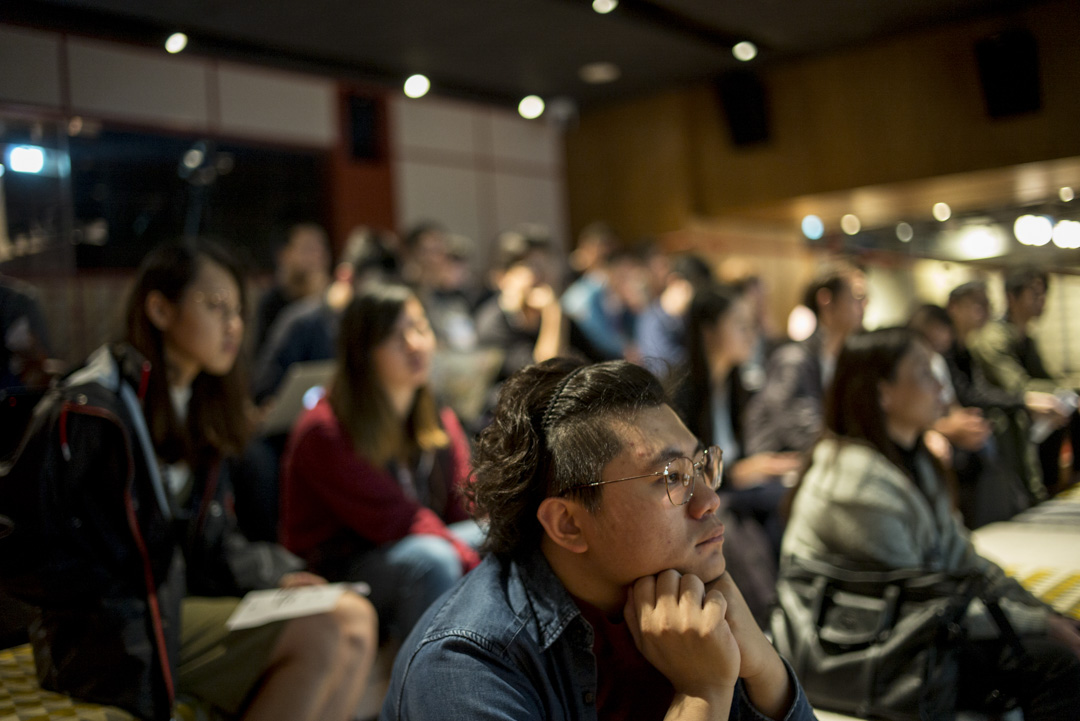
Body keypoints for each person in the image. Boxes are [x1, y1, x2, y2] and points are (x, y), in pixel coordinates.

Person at [16, 240, 376, 721]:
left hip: (168, 608)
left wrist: (278, 574)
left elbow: (212, 542)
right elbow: (53, 549)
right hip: (106, 630)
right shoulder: (95, 409)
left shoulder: (196, 405)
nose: (233, 325)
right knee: (334, 626)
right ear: (160, 309)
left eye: (238, 310)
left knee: (353, 614)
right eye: (215, 306)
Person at [381, 358, 817, 721]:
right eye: (672, 477)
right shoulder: (466, 664)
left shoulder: (686, 599)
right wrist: (701, 694)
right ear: (568, 524)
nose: (709, 499)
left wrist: (765, 670)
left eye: (702, 465)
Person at [781, 327, 1080, 720]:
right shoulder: (853, 484)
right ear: (883, 392)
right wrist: (1040, 624)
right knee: (1056, 663)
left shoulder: (913, 459)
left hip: (905, 627)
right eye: (924, 372)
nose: (940, 384)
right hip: (863, 648)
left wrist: (1045, 612)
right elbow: (925, 602)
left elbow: (964, 560)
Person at [280, 283, 481, 643]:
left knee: (509, 534)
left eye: (420, 328)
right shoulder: (325, 429)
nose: (415, 344)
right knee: (432, 559)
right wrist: (467, 556)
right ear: (363, 351)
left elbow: (465, 502)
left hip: (414, 540)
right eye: (395, 335)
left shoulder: (435, 415)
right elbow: (396, 520)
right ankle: (430, 688)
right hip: (346, 566)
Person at [674, 283, 802, 566]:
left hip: (734, 487)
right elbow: (687, 472)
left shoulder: (733, 386)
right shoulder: (682, 393)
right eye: (740, 326)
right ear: (708, 331)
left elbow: (739, 456)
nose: (751, 336)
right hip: (709, 495)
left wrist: (760, 465)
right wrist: (739, 471)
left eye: (751, 326)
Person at [969, 267, 1077, 494]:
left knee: (1067, 404)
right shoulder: (993, 337)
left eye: (1044, 294)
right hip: (1002, 420)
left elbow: (1047, 379)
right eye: (1035, 294)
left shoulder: (1026, 337)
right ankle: (1042, 491)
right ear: (1011, 297)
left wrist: (1071, 391)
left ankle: (1057, 485)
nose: (1042, 301)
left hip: (1027, 417)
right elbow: (1018, 386)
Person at [743, 263, 866, 456]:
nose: (864, 305)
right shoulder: (794, 359)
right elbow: (800, 430)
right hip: (776, 467)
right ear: (826, 301)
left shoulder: (848, 359)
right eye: (857, 297)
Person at [251, 223, 332, 357]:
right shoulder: (271, 303)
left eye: (322, 248)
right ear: (284, 255)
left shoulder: (334, 300)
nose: (318, 256)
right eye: (308, 248)